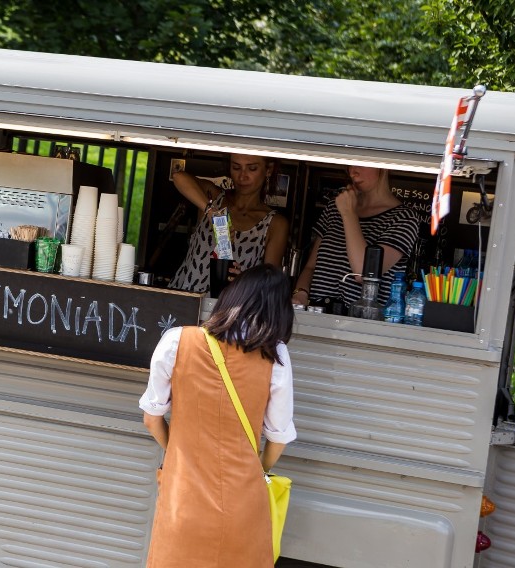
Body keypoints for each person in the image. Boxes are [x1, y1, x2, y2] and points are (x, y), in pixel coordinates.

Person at [139, 264, 296, 567]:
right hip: (243, 507)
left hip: (182, 500)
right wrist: (257, 469)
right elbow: (278, 438)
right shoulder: (275, 357)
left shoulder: (176, 341)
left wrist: (177, 453)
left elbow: (151, 417)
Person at [292, 166, 418, 308]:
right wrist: (301, 293)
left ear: (383, 165)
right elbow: (311, 267)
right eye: (349, 165)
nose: (353, 172)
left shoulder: (404, 218)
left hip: (357, 322)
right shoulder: (335, 208)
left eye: (361, 163)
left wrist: (349, 214)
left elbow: (363, 273)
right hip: (317, 314)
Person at [168, 154, 289, 293]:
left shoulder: (274, 223)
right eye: (236, 167)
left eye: (252, 168)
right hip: (183, 299)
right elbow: (178, 177)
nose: (242, 176)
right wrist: (210, 211)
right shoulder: (214, 198)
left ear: (269, 170)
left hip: (229, 309)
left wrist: (245, 280)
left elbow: (271, 285)